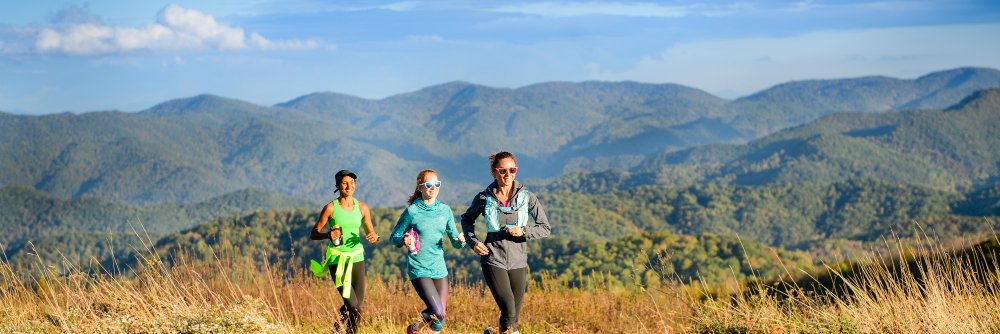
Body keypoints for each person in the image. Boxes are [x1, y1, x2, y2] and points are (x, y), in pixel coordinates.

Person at [461, 152, 551, 334]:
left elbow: (545, 228)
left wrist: (523, 231)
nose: (508, 174)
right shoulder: (484, 198)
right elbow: (466, 219)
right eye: (503, 171)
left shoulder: (527, 197)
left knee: (512, 317)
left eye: (512, 170)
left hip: (518, 261)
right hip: (493, 259)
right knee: (509, 309)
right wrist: (473, 242)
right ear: (494, 172)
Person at [390, 169, 466, 334]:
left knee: (440, 317)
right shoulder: (412, 211)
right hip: (419, 268)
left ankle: (416, 330)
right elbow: (394, 236)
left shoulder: (445, 210)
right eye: (429, 184)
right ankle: (414, 328)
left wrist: (461, 241)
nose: (434, 187)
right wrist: (403, 240)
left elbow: (455, 242)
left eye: (437, 184)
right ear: (420, 187)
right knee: (437, 311)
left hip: (439, 268)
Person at [310, 169, 380, 334]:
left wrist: (374, 237)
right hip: (337, 260)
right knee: (354, 307)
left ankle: (335, 331)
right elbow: (314, 233)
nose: (349, 186)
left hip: (357, 258)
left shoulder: (362, 207)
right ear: (337, 186)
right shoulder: (330, 208)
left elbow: (371, 232)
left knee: (356, 306)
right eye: (345, 183)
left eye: (352, 183)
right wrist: (328, 234)